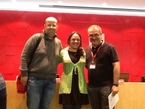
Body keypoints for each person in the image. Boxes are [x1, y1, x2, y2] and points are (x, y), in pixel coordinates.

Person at [19, 17, 62, 109]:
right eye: (49, 25)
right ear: (44, 26)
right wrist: (24, 74)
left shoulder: (58, 43)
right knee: (33, 107)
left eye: (53, 25)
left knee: (45, 107)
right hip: (35, 80)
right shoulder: (36, 38)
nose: (51, 27)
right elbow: (24, 56)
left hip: (51, 81)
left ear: (57, 27)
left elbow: (60, 58)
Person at [85, 25, 120, 109]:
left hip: (106, 86)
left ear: (101, 35)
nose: (93, 37)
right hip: (92, 87)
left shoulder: (110, 48)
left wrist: (115, 84)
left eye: (96, 34)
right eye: (91, 35)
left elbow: (116, 65)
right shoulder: (87, 50)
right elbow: (87, 66)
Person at [58, 31, 89, 109]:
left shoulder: (83, 53)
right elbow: (54, 63)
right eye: (73, 39)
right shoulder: (63, 52)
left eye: (78, 40)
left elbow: (89, 66)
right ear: (69, 41)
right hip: (66, 86)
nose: (76, 41)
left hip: (80, 87)